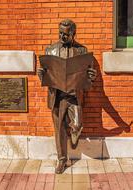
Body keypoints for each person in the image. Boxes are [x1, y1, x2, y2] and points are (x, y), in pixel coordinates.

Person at [38, 19, 97, 174]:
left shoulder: (82, 51)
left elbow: (88, 76)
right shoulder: (50, 50)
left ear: (73, 33)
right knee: (59, 130)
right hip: (57, 95)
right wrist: (41, 75)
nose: (62, 37)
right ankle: (62, 160)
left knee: (78, 124)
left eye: (66, 34)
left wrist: (92, 76)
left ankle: (75, 133)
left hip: (73, 95)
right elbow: (47, 75)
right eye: (60, 33)